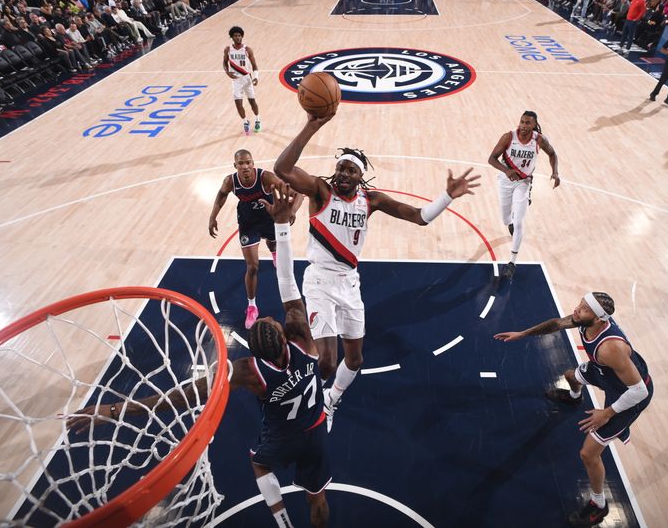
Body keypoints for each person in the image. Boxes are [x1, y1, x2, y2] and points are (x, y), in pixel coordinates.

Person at [69, 185, 330, 528]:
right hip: (316, 430)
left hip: (283, 437)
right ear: (284, 335)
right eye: (269, 320)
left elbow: (179, 397)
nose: (268, 316)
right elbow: (287, 280)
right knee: (318, 499)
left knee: (260, 464)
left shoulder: (248, 371)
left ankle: (282, 523)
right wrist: (282, 227)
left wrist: (115, 410)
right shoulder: (303, 342)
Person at [274, 113, 480, 432]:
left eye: (351, 169)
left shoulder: (372, 201)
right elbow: (282, 170)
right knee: (327, 361)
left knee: (354, 360)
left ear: (361, 176)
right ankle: (301, 402)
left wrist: (447, 196)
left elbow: (420, 217)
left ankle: (331, 401)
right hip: (318, 282)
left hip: (350, 285)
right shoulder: (320, 191)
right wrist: (312, 126)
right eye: (341, 167)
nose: (343, 173)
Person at [494, 292, 653, 527]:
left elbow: (639, 391)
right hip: (606, 372)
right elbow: (556, 324)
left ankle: (599, 505)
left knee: (588, 454)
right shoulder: (586, 319)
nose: (577, 310)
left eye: (584, 309)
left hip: (629, 396)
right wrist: (522, 334)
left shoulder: (610, 349)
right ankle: (574, 397)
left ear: (599, 319)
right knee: (571, 375)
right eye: (581, 303)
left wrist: (606, 412)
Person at [209, 149, 299, 329]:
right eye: (241, 164)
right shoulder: (230, 181)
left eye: (248, 162)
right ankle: (251, 306)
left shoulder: (266, 178)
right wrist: (213, 216)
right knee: (252, 266)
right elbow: (221, 195)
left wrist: (292, 210)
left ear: (253, 163)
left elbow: (297, 193)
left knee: (272, 242)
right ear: (235, 166)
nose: (245, 166)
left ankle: (273, 252)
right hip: (248, 223)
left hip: (269, 218)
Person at [487, 111, 560, 280]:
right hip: (505, 181)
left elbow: (553, 154)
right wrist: (506, 170)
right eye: (522, 122)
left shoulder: (539, 140)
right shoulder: (508, 137)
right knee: (505, 218)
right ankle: (509, 222)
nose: (524, 125)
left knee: (519, 221)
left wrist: (555, 173)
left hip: (523, 182)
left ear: (534, 125)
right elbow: (491, 159)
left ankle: (512, 262)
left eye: (528, 123)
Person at [224, 25, 260, 135]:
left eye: (239, 35)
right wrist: (227, 72)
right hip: (236, 81)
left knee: (252, 102)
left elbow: (254, 65)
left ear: (242, 36)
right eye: (235, 36)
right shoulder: (228, 49)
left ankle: (257, 119)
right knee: (238, 104)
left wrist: (256, 77)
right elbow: (224, 63)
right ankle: (245, 122)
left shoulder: (247, 49)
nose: (238, 37)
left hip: (247, 79)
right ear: (232, 37)